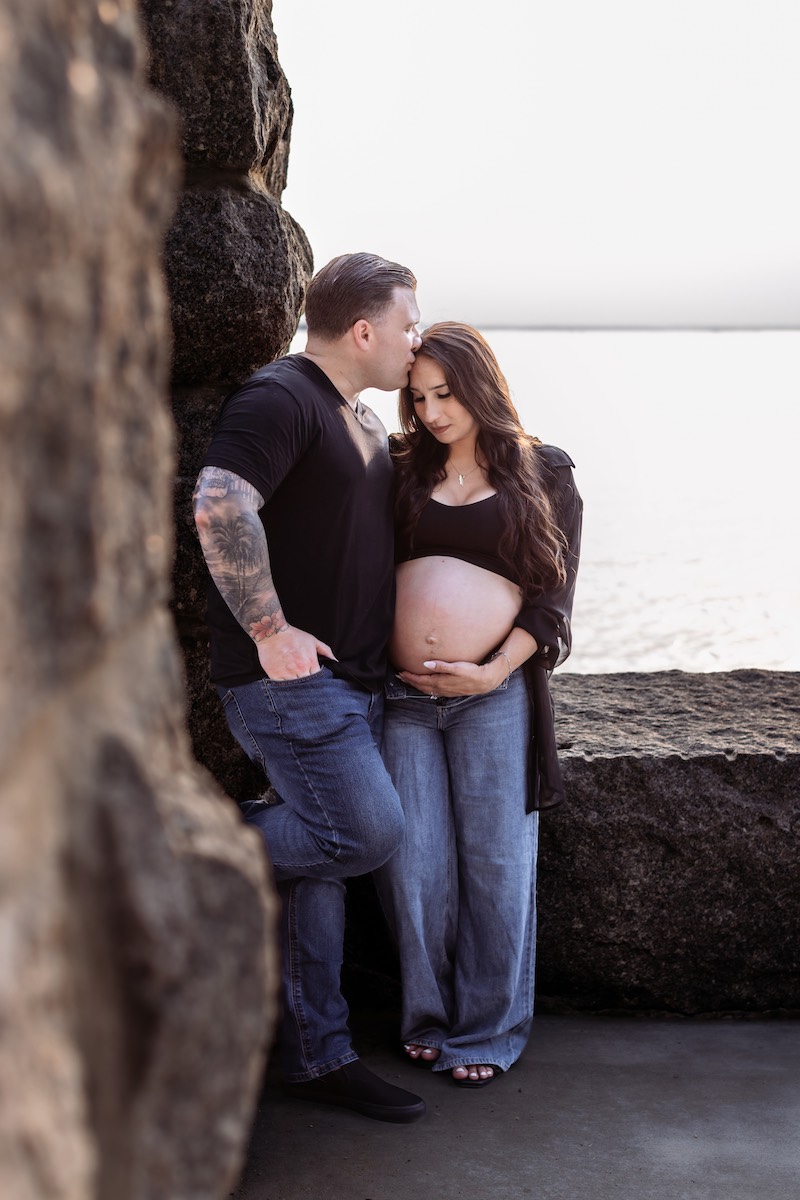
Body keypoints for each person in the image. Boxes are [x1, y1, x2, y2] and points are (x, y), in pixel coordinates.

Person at [192, 252, 427, 1123]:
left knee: (318, 868)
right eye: (408, 324)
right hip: (293, 685)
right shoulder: (282, 397)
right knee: (365, 832)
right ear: (364, 330)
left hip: (355, 685)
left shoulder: (358, 417)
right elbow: (219, 502)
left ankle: (318, 1056)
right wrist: (269, 629)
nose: (416, 339)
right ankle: (183, 855)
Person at [373, 322, 582, 1087]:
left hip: (492, 699)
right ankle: (427, 1018)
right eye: (418, 397)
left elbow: (552, 607)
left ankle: (488, 1030)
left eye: (445, 393)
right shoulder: (398, 468)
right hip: (401, 697)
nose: (431, 412)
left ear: (481, 385)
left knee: (496, 865)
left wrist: (492, 674)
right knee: (414, 865)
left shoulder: (544, 472)